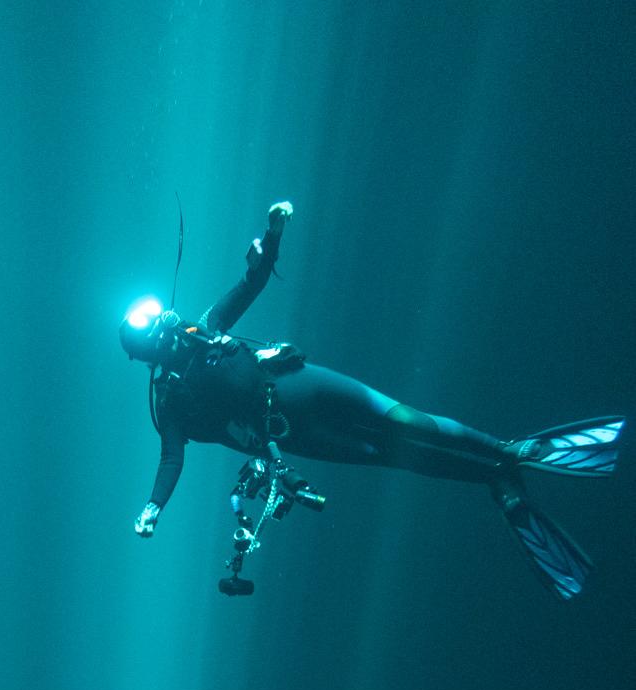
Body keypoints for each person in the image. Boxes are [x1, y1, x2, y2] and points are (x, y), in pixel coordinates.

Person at [120, 201, 625, 599]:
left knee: (404, 421)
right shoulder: (171, 400)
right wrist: (153, 506)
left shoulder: (205, 330)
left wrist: (273, 235)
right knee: (390, 451)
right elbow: (172, 456)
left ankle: (507, 451)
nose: (163, 323)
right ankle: (495, 474)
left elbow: (249, 284)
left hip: (300, 388)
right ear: (146, 351)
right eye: (151, 328)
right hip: (293, 430)